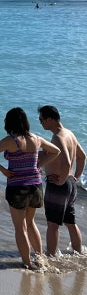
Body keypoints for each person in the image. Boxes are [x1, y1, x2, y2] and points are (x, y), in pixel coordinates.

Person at [0, 107, 60, 269]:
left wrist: (3, 170)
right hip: (36, 186)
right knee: (31, 223)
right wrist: (39, 164)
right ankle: (40, 259)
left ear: (9, 123)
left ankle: (27, 263)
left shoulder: (10, 140)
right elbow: (56, 151)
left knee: (20, 228)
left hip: (18, 187)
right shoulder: (36, 138)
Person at [37, 105, 85, 255]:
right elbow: (82, 156)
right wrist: (74, 177)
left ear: (50, 119)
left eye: (41, 119)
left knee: (52, 225)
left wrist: (61, 181)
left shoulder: (57, 137)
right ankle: (78, 253)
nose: (40, 122)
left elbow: (66, 162)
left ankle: (51, 256)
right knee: (70, 222)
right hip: (70, 184)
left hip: (59, 185)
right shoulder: (69, 133)